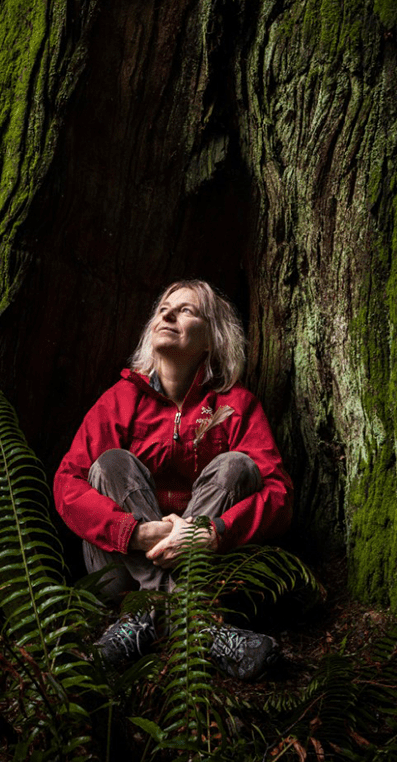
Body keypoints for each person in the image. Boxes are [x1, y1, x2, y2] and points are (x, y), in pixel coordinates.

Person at [53, 280, 293, 680]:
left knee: (237, 465)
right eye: (164, 308)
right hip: (120, 567)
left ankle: (152, 619)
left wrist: (211, 533)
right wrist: (134, 532)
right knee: (111, 463)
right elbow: (67, 484)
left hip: (208, 564)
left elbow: (279, 494)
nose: (167, 314)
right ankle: (201, 626)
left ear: (212, 339)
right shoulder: (120, 399)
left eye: (186, 310)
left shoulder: (237, 405)